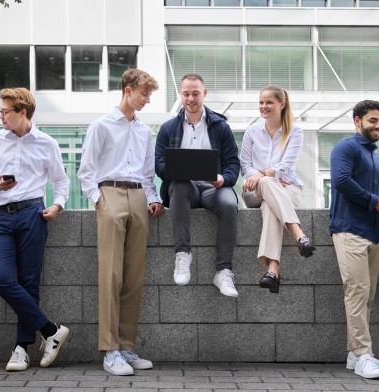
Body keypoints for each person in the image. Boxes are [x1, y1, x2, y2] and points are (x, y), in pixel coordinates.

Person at [0, 88, 70, 372]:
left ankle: (21, 349)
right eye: (0, 111)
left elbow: (61, 182)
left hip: (33, 214)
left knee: (29, 284)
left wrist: (57, 206)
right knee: (1, 278)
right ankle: (51, 329)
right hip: (1, 217)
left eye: (6, 112)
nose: (1, 116)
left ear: (23, 112)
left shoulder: (47, 143)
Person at [77, 68, 164, 376]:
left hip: (139, 197)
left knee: (134, 276)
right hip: (109, 193)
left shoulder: (144, 130)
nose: (147, 100)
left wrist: (152, 198)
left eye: (149, 95)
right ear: (128, 90)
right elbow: (85, 169)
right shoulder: (101, 125)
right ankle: (110, 350)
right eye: (144, 94)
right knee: (110, 275)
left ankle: (127, 347)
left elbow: (147, 171)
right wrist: (98, 198)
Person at [155, 74, 241, 297]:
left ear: (204, 93)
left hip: (214, 189)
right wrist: (176, 170)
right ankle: (182, 255)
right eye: (186, 94)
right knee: (180, 185)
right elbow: (159, 164)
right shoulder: (168, 128)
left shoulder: (220, 127)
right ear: (180, 95)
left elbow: (233, 163)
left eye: (195, 93)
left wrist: (222, 179)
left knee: (230, 202)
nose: (190, 99)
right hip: (186, 191)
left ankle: (223, 271)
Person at [329, 100, 379, 379]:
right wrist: (374, 201)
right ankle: (363, 354)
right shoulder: (345, 147)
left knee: (366, 296)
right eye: (372, 120)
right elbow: (341, 180)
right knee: (356, 293)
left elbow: (370, 191)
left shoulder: (375, 155)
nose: (378, 125)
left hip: (372, 232)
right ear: (357, 121)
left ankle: (353, 353)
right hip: (349, 230)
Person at [240, 86, 315, 293]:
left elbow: (287, 166)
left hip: (287, 189)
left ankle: (273, 271)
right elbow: (244, 166)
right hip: (254, 190)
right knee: (266, 183)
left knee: (269, 205)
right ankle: (299, 234)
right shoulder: (252, 131)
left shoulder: (295, 132)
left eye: (269, 102)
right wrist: (263, 176)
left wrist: (266, 175)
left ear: (281, 104)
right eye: (261, 102)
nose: (264, 106)